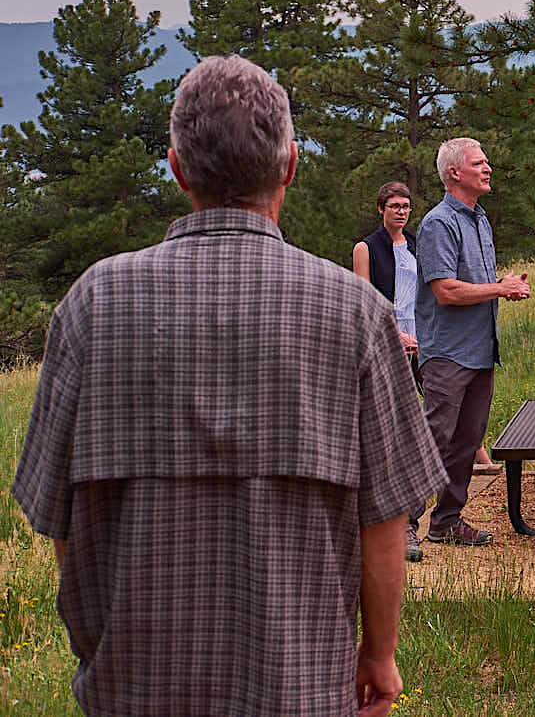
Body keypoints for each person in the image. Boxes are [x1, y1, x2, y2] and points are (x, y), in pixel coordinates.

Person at [10, 55, 446, 717]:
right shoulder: (354, 311)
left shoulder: (93, 302)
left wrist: (98, 640)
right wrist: (378, 656)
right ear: (290, 166)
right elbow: (385, 520)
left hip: (132, 686)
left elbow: (58, 515)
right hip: (302, 687)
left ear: (177, 167)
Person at [415, 137, 530, 549]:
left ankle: (446, 521)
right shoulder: (438, 224)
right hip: (447, 352)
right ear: (454, 173)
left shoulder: (480, 220)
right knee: (434, 438)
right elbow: (445, 290)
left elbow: (477, 285)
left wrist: (504, 289)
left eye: (487, 162)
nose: (488, 168)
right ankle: (403, 527)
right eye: (479, 163)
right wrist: (500, 289)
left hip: (481, 351)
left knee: (466, 440)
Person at [354, 182, 498, 480]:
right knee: (394, 405)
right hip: (387, 331)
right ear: (381, 209)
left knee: (447, 397)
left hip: (423, 331)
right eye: (394, 206)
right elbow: (363, 298)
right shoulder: (366, 248)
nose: (401, 212)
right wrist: (393, 332)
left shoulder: (416, 242)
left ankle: (481, 460)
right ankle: (388, 471)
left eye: (405, 207)